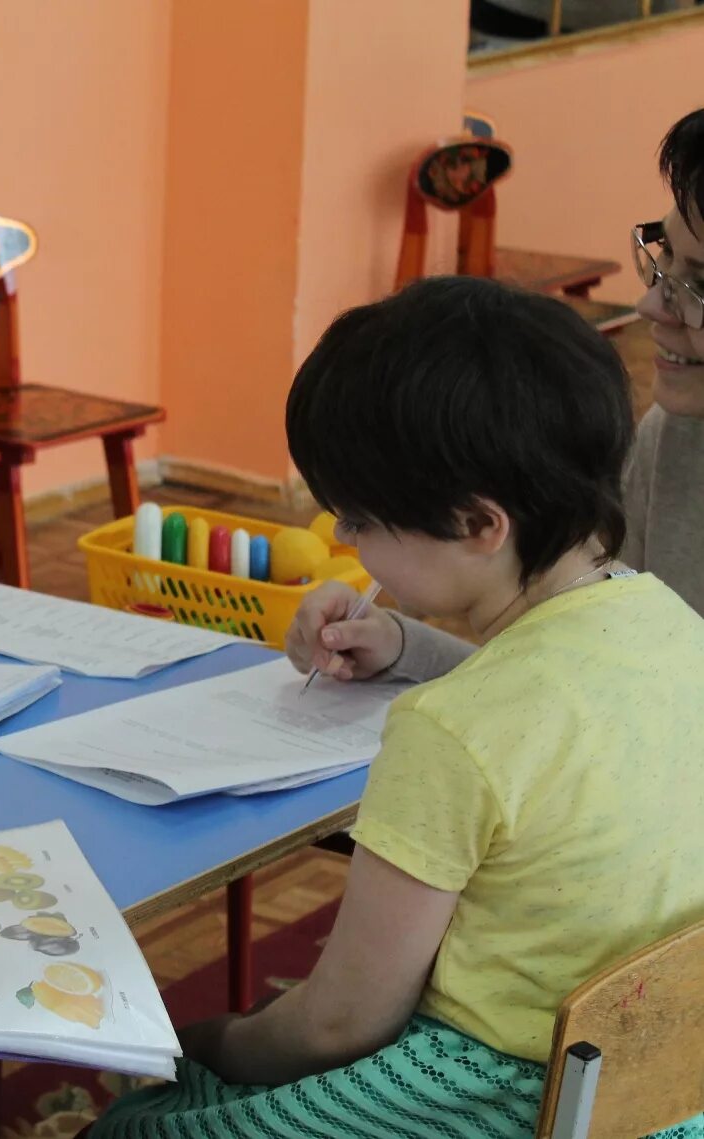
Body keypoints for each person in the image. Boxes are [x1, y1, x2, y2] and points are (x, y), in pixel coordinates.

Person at [91, 278, 704, 1138]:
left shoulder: (448, 730)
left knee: (139, 1122)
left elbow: (340, 1024)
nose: (342, 538)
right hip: (662, 1086)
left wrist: (200, 1043)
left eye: (360, 515)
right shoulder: (673, 625)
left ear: (476, 523)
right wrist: (406, 644)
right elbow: (552, 715)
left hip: (495, 1098)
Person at [290, 106, 704, 686]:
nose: (651, 307)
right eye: (662, 261)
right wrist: (404, 648)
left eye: (700, 285)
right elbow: (587, 690)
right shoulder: (676, 436)